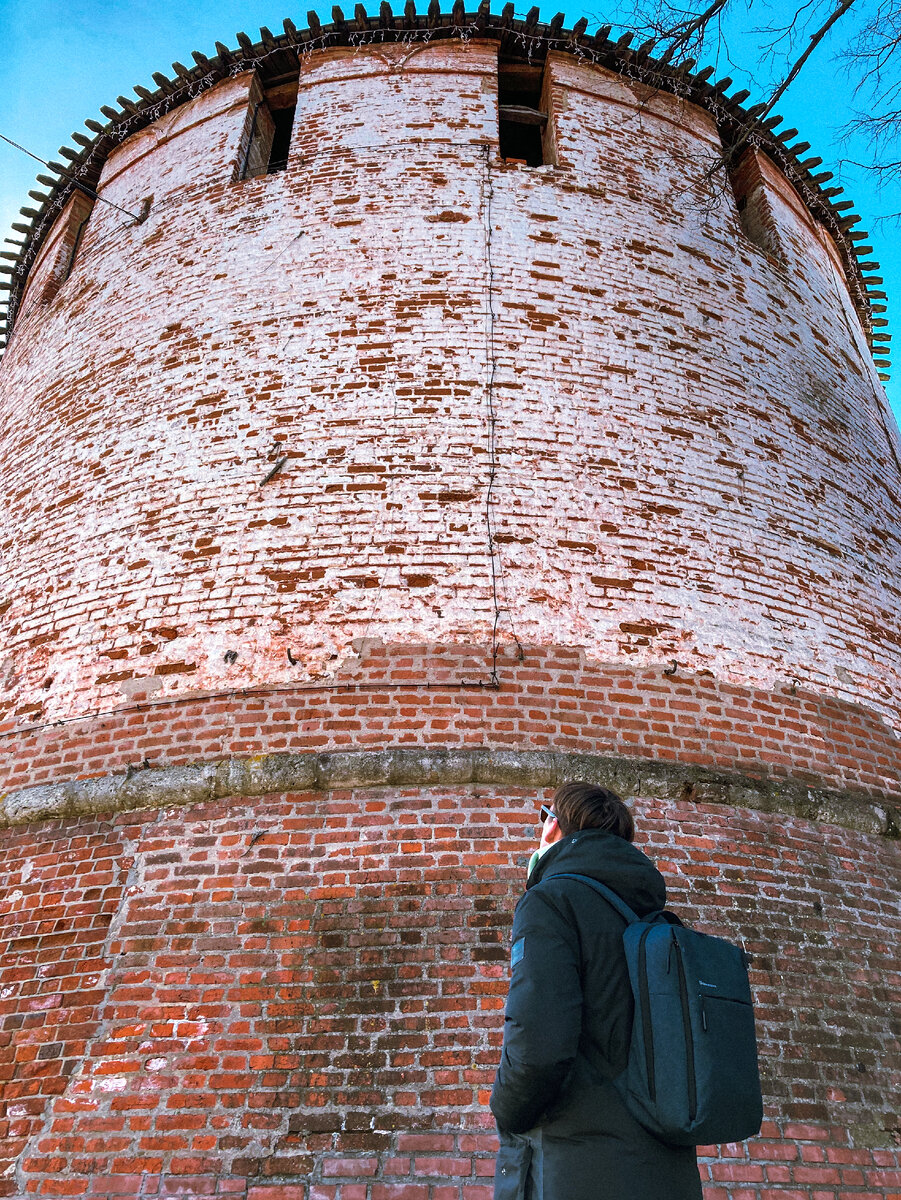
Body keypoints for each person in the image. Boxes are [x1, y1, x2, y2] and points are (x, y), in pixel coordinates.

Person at [490, 782, 703, 1200]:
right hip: (666, 1168)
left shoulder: (550, 901)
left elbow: (538, 1046)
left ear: (553, 826)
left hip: (575, 1167)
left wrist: (505, 1109)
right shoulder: (656, 920)